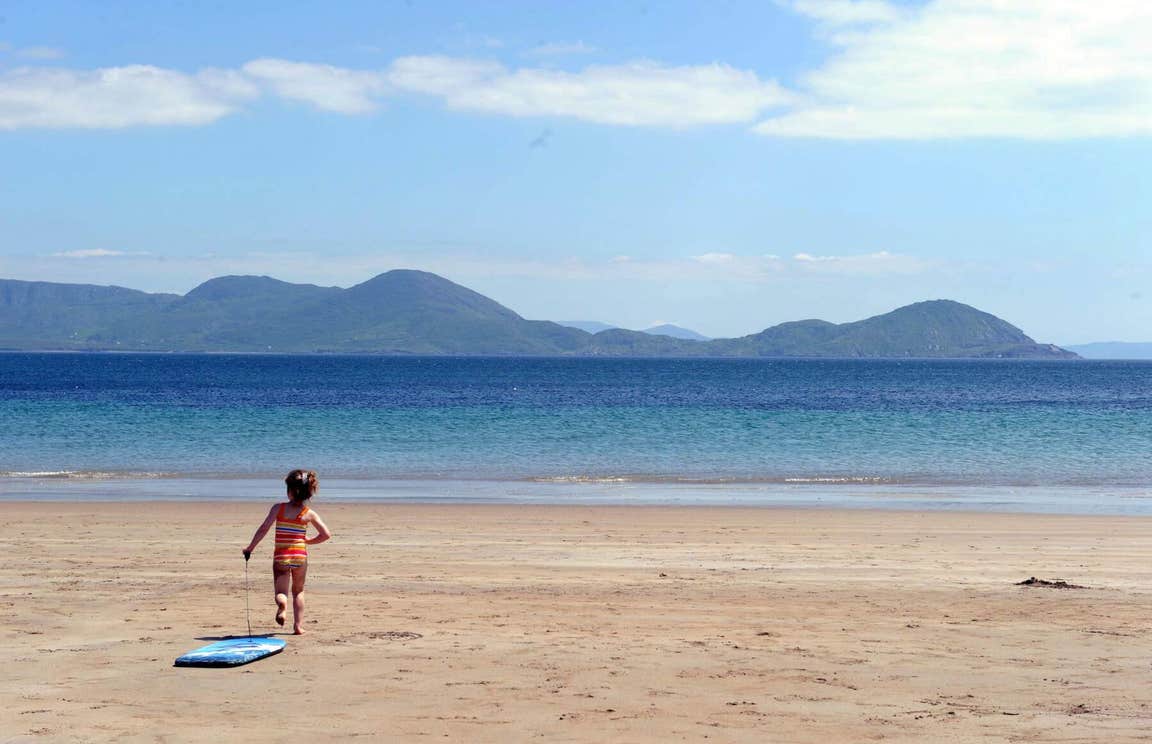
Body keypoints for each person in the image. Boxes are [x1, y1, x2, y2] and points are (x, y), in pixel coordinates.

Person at [243, 469, 332, 635]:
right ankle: (298, 626)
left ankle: (282, 606)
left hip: (281, 557)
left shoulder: (279, 508)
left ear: (289, 491)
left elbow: (263, 529)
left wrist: (250, 548)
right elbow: (325, 535)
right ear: (309, 493)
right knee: (298, 591)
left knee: (281, 592)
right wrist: (307, 541)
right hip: (300, 557)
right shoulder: (309, 514)